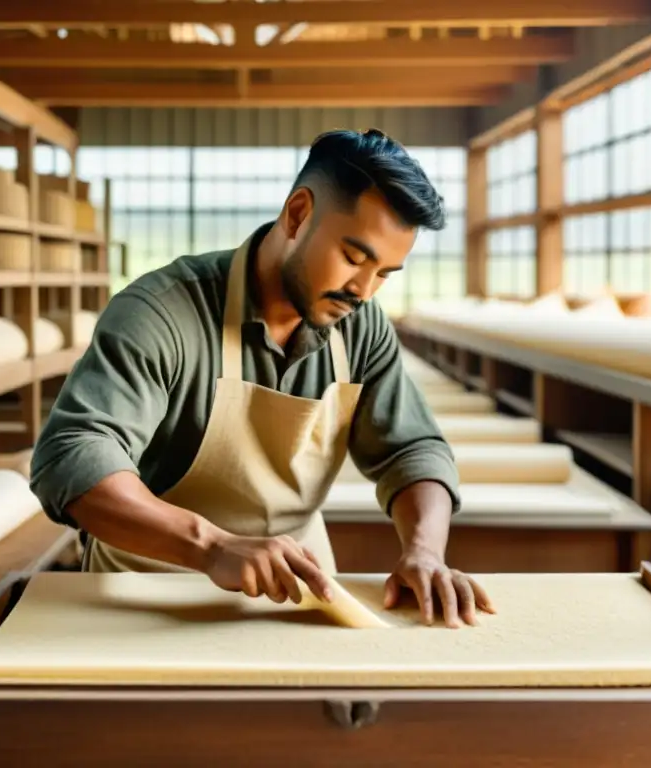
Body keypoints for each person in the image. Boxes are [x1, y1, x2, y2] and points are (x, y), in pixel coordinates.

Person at [30, 128, 495, 628]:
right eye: (354, 258)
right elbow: (72, 456)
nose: (363, 289)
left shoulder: (360, 325)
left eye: (384, 273)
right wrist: (213, 547)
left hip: (300, 594)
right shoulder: (160, 313)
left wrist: (425, 551)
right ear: (298, 214)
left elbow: (410, 450)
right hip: (145, 591)